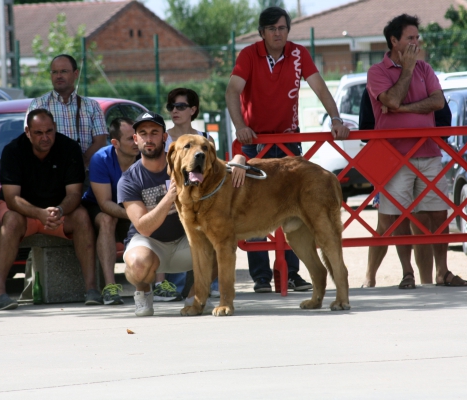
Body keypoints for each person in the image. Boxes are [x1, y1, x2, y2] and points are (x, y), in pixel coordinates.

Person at [225, 6, 349, 293]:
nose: (277, 33)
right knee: (251, 206)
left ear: (287, 30)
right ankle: (260, 278)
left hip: (288, 140)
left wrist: (336, 118)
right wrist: (240, 126)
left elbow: (319, 87)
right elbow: (232, 91)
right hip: (254, 141)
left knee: (295, 206)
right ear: (262, 33)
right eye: (271, 28)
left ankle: (293, 274)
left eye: (282, 28)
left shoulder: (298, 53)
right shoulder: (249, 54)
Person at [365, 14, 467, 288]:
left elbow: (437, 102)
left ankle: (442, 272)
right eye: (410, 38)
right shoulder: (377, 72)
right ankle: (406, 273)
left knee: (437, 213)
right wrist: (407, 71)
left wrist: (403, 108)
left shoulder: (426, 68)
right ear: (394, 41)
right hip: (394, 157)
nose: (416, 42)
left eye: (417, 37)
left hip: (429, 152)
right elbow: (390, 99)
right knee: (397, 216)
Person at [0, 108, 102, 310]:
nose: (45, 137)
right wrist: (39, 213)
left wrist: (58, 210)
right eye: (38, 133)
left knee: (82, 217)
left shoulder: (69, 148)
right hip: (21, 212)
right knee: (11, 220)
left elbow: (75, 194)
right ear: (27, 132)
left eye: (49, 131)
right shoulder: (12, 150)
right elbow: (11, 198)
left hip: (57, 212)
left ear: (55, 128)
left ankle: (92, 288)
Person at [160, 87, 248, 300]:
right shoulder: (164, 139)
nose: (174, 110)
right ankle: (171, 286)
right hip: (171, 201)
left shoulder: (206, 139)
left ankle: (203, 290)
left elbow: (217, 170)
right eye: (171, 106)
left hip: (201, 201)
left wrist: (241, 159)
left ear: (193, 110)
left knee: (218, 237)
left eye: (180, 106)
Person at [359, 88, 452, 287]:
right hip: (388, 159)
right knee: (385, 223)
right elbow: (365, 128)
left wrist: (397, 111)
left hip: (425, 154)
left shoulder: (425, 78)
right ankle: (370, 277)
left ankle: (427, 281)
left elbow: (444, 119)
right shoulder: (379, 81)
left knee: (422, 222)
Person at [117, 111, 197, 317]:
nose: (149, 138)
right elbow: (144, 227)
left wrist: (240, 157)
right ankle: (143, 292)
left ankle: (196, 297)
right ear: (136, 139)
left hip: (184, 242)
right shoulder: (129, 180)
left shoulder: (185, 167)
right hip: (150, 243)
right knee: (137, 263)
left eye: (154, 132)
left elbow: (217, 168)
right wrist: (170, 195)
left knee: (220, 242)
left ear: (164, 137)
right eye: (143, 133)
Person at [81, 117, 138, 305]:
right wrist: (136, 215)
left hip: (132, 206)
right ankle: (110, 287)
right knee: (107, 219)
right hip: (99, 207)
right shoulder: (101, 159)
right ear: (115, 142)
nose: (137, 141)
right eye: (131, 138)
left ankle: (158, 285)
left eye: (137, 136)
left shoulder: (146, 156)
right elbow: (104, 203)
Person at [27, 54, 108, 169]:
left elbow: (100, 143)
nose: (58, 76)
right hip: (49, 175)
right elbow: (31, 140)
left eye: (64, 71)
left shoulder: (92, 106)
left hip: (85, 174)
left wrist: (78, 164)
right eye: (54, 72)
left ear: (76, 74)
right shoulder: (37, 105)